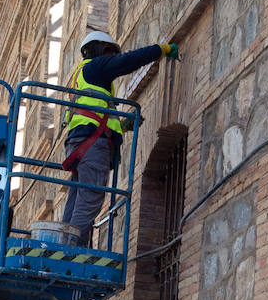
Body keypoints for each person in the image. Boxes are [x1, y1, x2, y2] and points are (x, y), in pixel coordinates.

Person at [59, 30, 180, 247]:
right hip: (92, 145)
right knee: (90, 199)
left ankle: (64, 245)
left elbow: (91, 115)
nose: (110, 57)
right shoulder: (95, 67)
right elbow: (128, 61)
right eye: (107, 52)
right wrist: (162, 49)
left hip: (80, 143)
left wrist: (120, 128)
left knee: (77, 199)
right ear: (96, 49)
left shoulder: (81, 78)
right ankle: (70, 251)